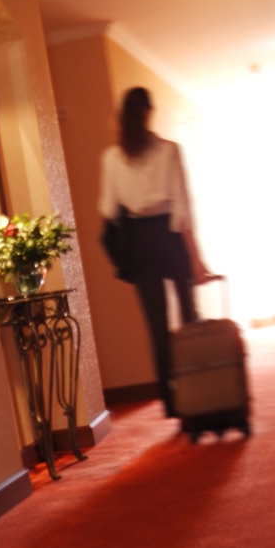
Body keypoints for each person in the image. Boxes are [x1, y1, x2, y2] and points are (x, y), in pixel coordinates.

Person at [98, 87, 209, 418]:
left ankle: (172, 402)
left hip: (139, 241)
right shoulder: (168, 150)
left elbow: (107, 208)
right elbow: (181, 206)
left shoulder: (111, 157)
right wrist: (195, 257)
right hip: (170, 236)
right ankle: (201, 391)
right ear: (148, 112)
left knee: (156, 324)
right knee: (189, 318)